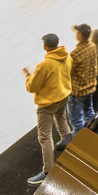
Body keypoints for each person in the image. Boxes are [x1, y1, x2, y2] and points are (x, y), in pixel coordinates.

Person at [25, 32, 72, 185]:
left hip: (47, 103)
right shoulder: (67, 56)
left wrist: (27, 76)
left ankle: (48, 171)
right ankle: (73, 154)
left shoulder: (45, 65)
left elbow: (32, 87)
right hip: (63, 95)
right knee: (62, 122)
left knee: (45, 137)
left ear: (45, 46)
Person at [68, 24, 98, 132]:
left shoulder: (75, 54)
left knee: (76, 121)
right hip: (90, 87)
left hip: (78, 92)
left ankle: (82, 144)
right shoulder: (92, 46)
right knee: (89, 112)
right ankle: (95, 135)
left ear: (80, 35)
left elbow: (68, 71)